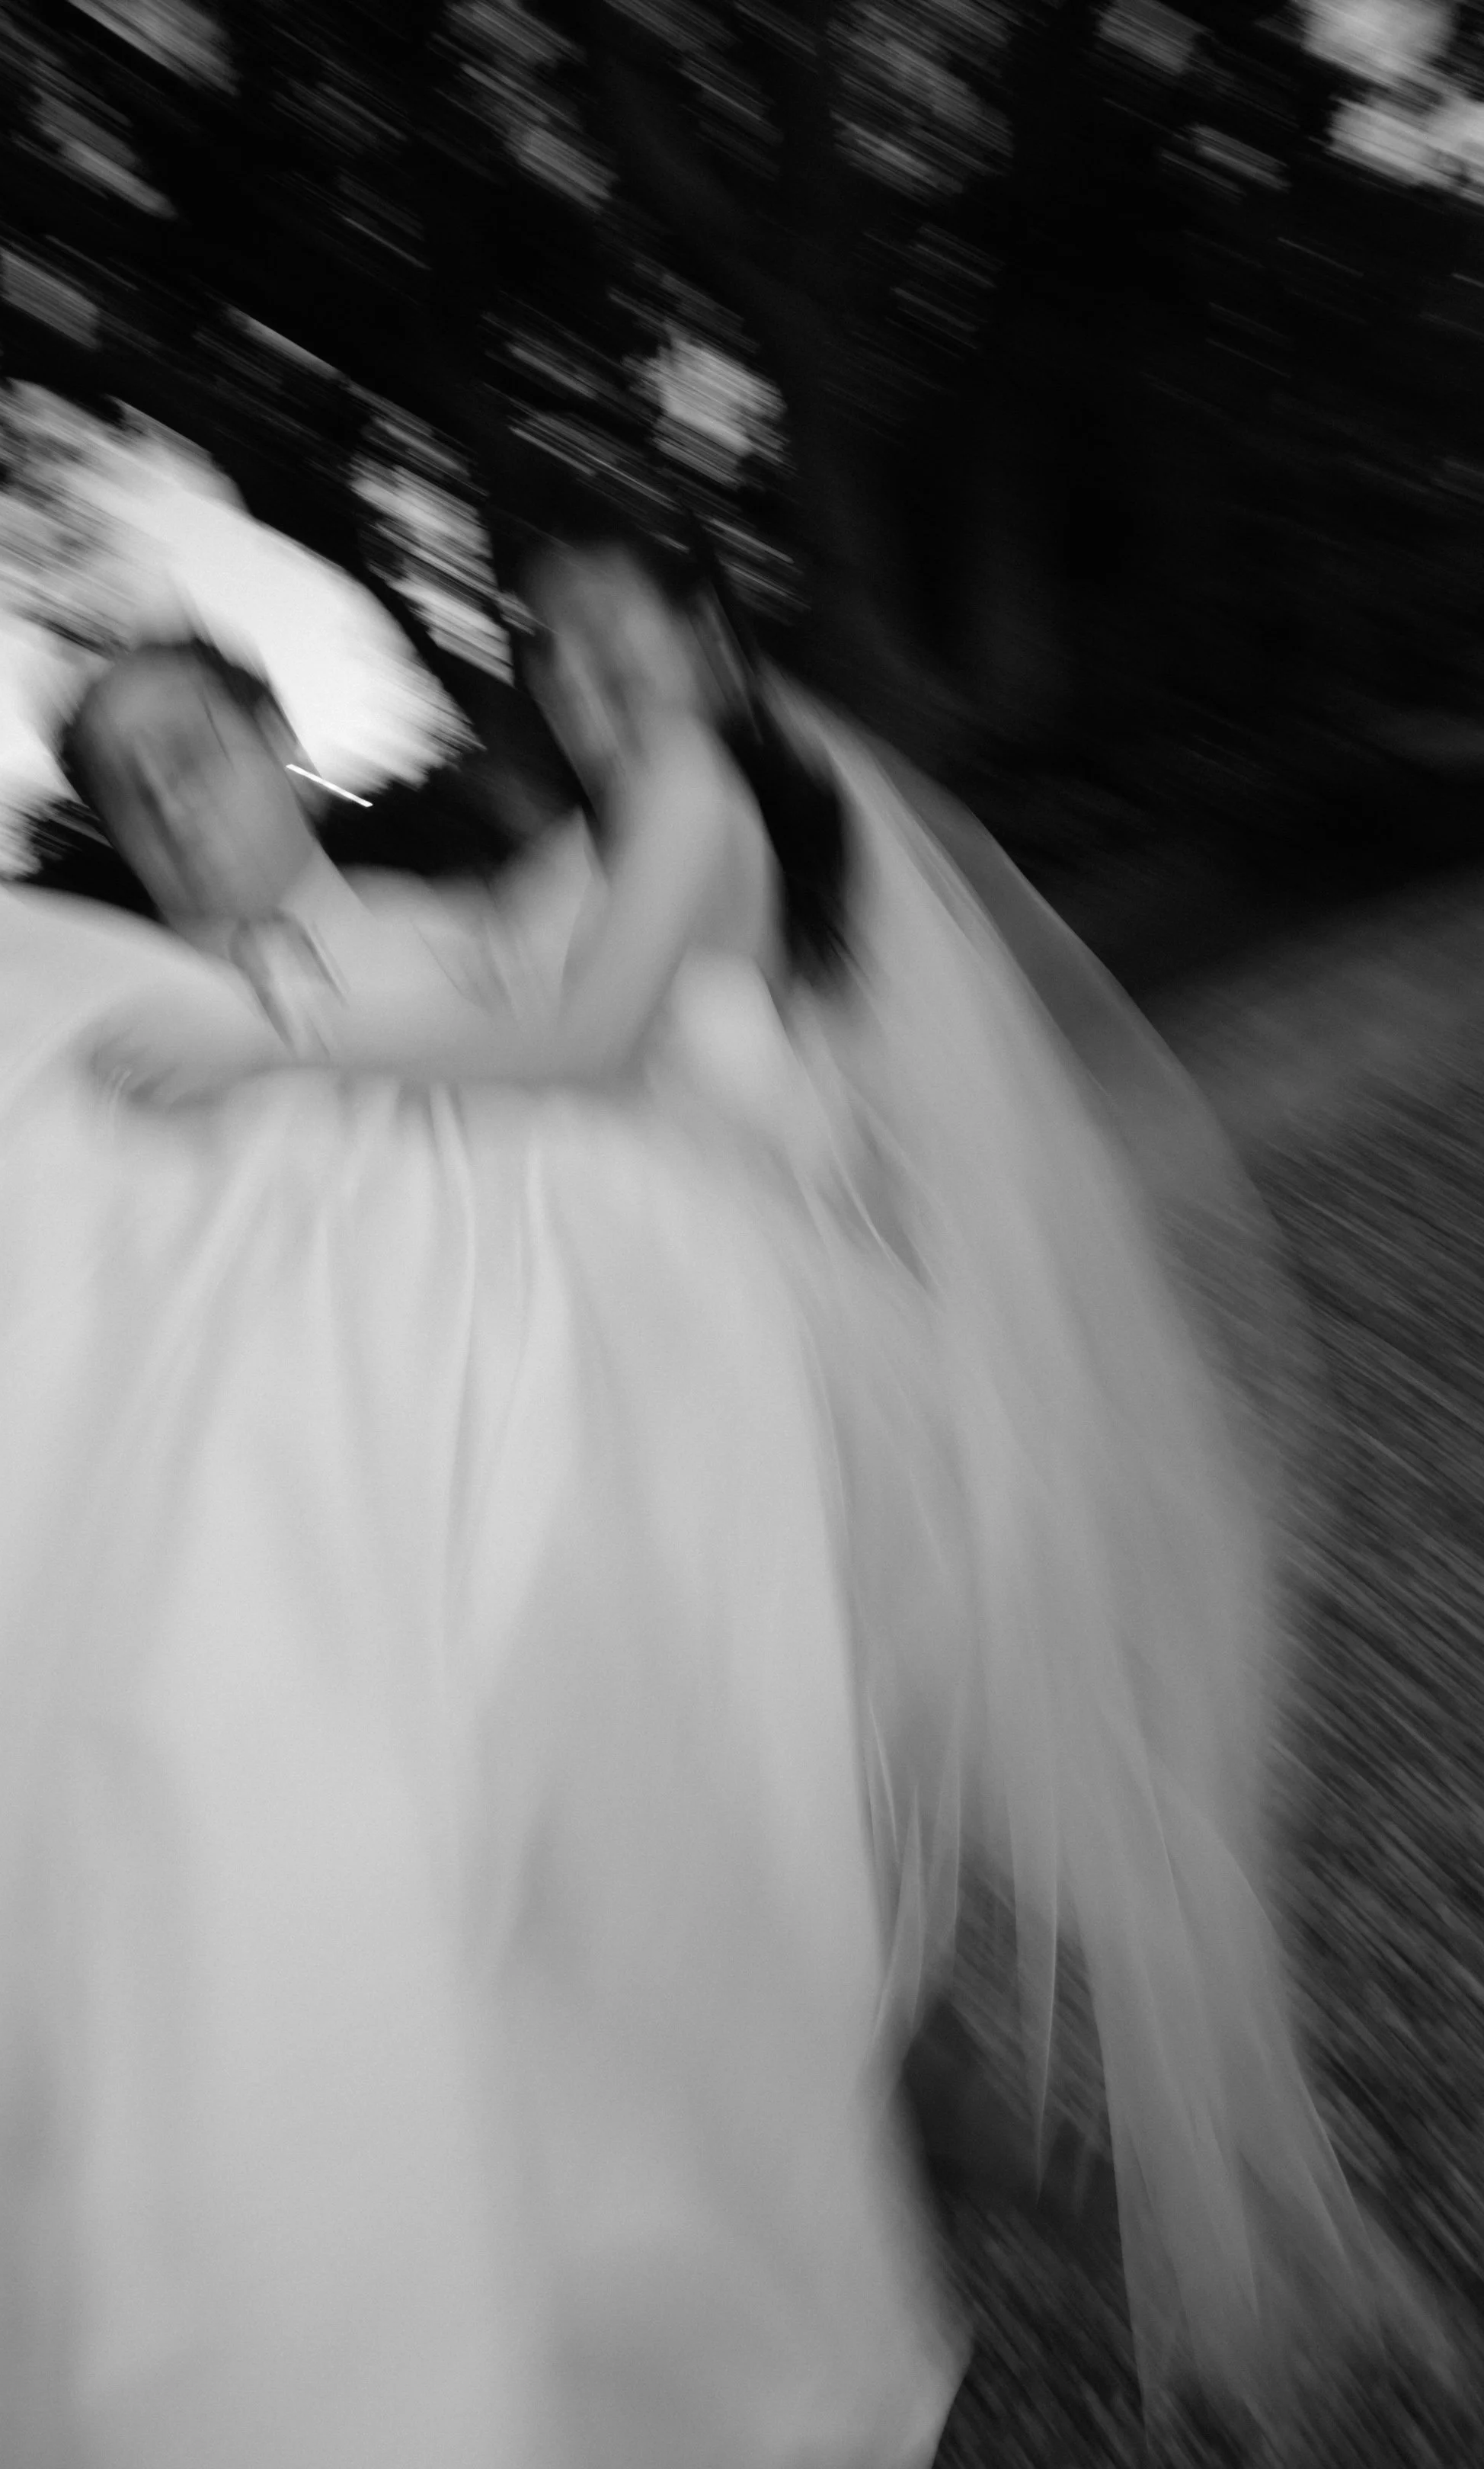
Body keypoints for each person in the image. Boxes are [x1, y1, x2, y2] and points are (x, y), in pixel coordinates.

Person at [88, 478, 1463, 2432]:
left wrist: (277, 1057)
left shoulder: (681, 815)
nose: (580, 675)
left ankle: (1068, 2203)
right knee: (784, 1872)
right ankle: (949, 2172)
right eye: (546, 647)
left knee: (832, 1861)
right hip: (643, 1421)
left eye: (615, 635)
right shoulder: (543, 879)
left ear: (709, 638)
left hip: (755, 1403)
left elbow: (580, 1062)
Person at [0, 648, 968, 2463]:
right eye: (123, 782)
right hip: (256, 1592)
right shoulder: (94, 1044)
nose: (168, 800)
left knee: (581, 1935)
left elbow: (661, 1148)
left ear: (279, 742)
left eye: (192, 749)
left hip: (520, 1522)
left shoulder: (468, 947)